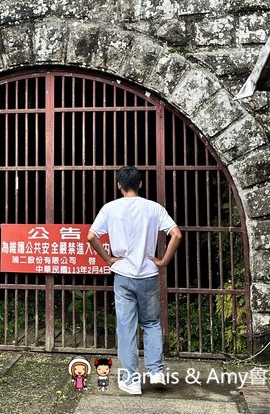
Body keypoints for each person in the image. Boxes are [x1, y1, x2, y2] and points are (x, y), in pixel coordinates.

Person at [87, 165, 182, 395]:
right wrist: (163, 261)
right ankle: (156, 371)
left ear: (119, 185)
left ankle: (131, 380)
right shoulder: (153, 208)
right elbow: (176, 234)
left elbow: (91, 236)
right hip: (148, 275)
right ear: (140, 184)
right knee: (151, 323)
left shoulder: (110, 208)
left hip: (123, 275)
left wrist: (108, 259)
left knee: (127, 327)